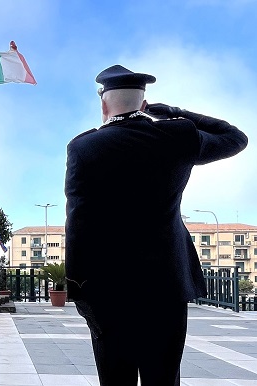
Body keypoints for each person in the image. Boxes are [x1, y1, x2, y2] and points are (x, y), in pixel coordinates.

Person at [64, 64, 248, 386]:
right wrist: (175, 113)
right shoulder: (177, 135)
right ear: (145, 104)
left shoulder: (83, 147)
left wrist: (80, 289)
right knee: (162, 378)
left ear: (103, 104)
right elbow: (235, 138)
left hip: (108, 287)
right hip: (167, 283)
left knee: (115, 379)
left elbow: (77, 222)